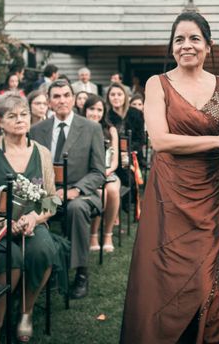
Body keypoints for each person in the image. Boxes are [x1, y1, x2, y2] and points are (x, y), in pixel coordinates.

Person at [121, 12, 219, 343]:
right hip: (169, 190)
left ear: (209, 45)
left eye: (194, 38)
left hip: (212, 191)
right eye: (179, 39)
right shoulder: (158, 84)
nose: (186, 46)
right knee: (165, 270)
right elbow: (161, 140)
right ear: (172, 47)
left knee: (205, 270)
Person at [0, 93, 60, 343]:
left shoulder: (42, 153)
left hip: (32, 225)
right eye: (12, 116)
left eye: (24, 115)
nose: (20, 120)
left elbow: (52, 200)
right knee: (11, 258)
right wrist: (3, 223)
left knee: (42, 250)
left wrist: (35, 218)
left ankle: (26, 312)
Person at [30, 79, 105, 299]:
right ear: (50, 102)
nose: (62, 100)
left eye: (66, 95)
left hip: (82, 194)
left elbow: (99, 171)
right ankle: (46, 267)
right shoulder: (36, 130)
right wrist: (41, 192)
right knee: (31, 210)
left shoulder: (91, 128)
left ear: (73, 99)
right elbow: (33, 168)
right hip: (48, 194)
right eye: (56, 96)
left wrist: (76, 190)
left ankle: (81, 272)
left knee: (76, 208)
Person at [82, 94, 121, 253]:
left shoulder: (110, 130)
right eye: (92, 109)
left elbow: (115, 161)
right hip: (87, 174)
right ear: (84, 110)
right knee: (100, 193)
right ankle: (92, 235)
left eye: (99, 110)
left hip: (108, 172)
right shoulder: (80, 128)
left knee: (112, 190)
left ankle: (107, 234)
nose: (95, 113)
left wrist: (106, 171)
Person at [106, 82, 145, 213]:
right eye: (112, 94)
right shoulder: (107, 115)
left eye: (119, 94)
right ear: (108, 97)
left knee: (130, 174)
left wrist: (129, 152)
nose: (116, 97)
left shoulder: (136, 114)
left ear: (125, 97)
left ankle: (128, 202)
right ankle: (118, 202)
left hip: (133, 153)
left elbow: (141, 138)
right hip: (112, 155)